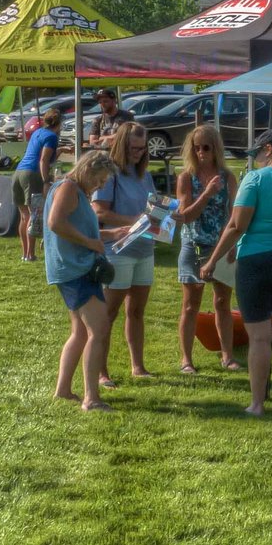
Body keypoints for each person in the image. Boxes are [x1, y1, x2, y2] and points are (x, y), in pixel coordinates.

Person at [202, 130, 272, 416]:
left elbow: (236, 226)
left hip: (257, 261)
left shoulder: (255, 179)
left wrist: (212, 261)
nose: (254, 160)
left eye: (256, 154)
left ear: (267, 149)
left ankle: (256, 404)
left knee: (260, 337)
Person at [44, 149, 123, 413]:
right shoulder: (68, 188)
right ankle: (92, 398)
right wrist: (91, 242)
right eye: (99, 180)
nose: (99, 186)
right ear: (88, 169)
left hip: (73, 268)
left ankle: (63, 390)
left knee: (79, 332)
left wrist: (116, 233)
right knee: (98, 331)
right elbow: (55, 223)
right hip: (76, 270)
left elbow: (81, 228)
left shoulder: (72, 190)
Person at [90, 123, 162, 382]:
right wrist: (132, 221)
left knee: (137, 312)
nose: (139, 153)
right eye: (134, 148)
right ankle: (101, 372)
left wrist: (163, 218)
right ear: (121, 144)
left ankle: (138, 367)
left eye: (143, 149)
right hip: (118, 250)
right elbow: (99, 211)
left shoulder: (144, 173)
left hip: (145, 248)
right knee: (109, 313)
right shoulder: (109, 173)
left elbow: (153, 207)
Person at [174, 123, 241, 375]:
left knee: (223, 301)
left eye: (207, 147)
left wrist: (233, 244)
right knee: (191, 305)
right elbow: (186, 216)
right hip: (194, 245)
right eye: (197, 147)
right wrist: (207, 193)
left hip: (221, 245)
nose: (201, 152)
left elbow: (234, 214)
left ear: (216, 149)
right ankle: (186, 360)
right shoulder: (186, 177)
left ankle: (227, 356)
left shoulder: (228, 177)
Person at [13, 107, 63, 262]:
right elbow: (43, 160)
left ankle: (25, 254)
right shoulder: (52, 137)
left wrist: (60, 151)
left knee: (24, 216)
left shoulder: (38, 132)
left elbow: (41, 155)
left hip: (18, 172)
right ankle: (31, 254)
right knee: (34, 216)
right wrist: (46, 180)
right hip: (32, 174)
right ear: (60, 123)